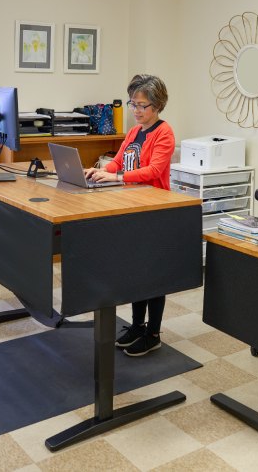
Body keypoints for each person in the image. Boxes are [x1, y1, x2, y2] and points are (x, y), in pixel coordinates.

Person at [84, 74, 175, 356]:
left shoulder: (164, 133)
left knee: (153, 275)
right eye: (132, 103)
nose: (136, 110)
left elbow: (153, 172)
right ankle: (137, 325)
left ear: (157, 106)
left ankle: (153, 333)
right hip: (133, 207)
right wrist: (99, 171)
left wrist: (116, 177)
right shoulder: (135, 132)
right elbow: (118, 160)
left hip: (155, 211)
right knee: (136, 272)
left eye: (142, 105)